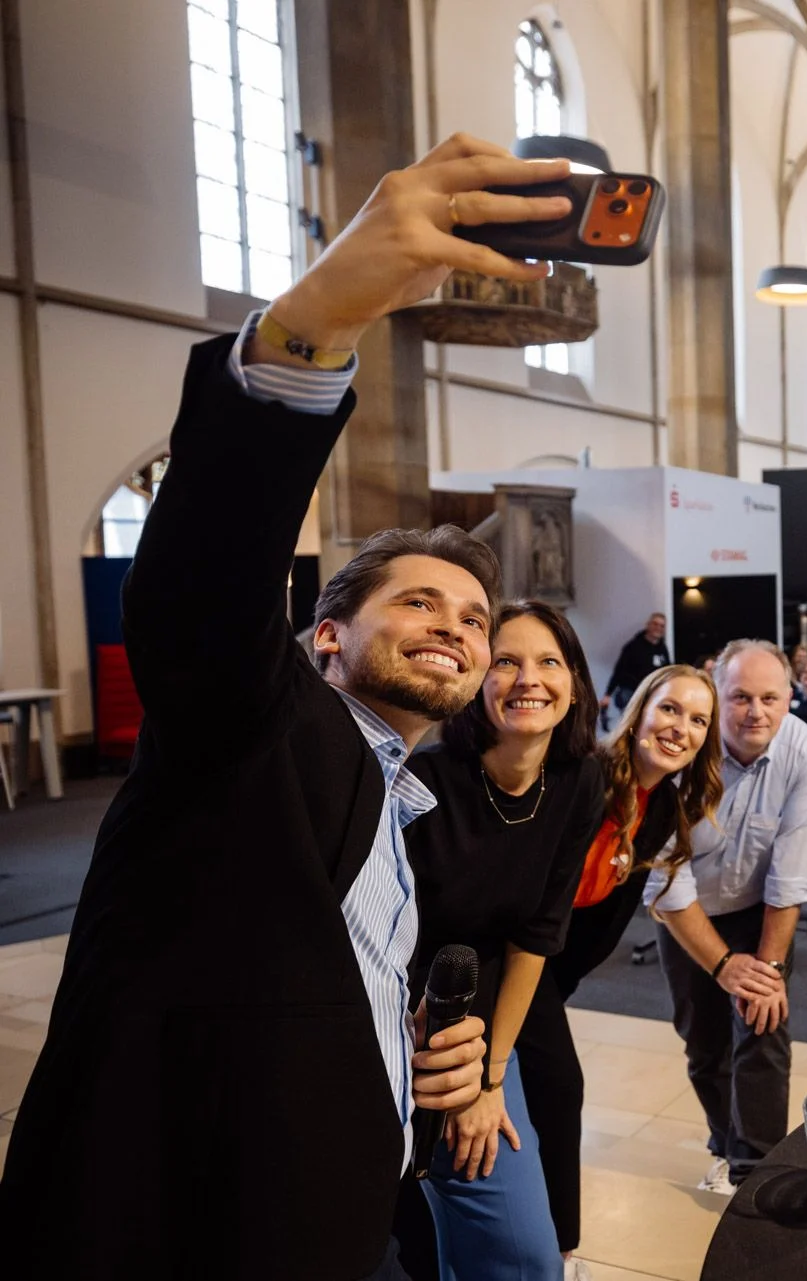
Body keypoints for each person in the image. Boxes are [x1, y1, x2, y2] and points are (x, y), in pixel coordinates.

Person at [0, 134, 551, 1280]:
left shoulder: (396, 798)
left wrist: (397, 1053)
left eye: (475, 615)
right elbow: (200, 589)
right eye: (420, 601)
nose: (459, 624)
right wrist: (315, 326)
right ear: (327, 636)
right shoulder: (259, 728)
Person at [402, 601, 607, 1278]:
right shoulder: (425, 781)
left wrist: (489, 1079)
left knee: (525, 1249)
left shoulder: (581, 780)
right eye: (507, 660)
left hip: (488, 1014)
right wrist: (448, 1074)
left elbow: (537, 935)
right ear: (477, 679)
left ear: (574, 681)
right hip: (401, 1013)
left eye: (549, 661)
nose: (529, 678)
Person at [516, 663, 725, 1273]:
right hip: (508, 956)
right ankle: (562, 1249)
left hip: (553, 973)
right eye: (669, 709)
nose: (679, 727)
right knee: (562, 1088)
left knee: (535, 1093)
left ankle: (536, 1230)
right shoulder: (585, 778)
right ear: (639, 712)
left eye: (697, 719)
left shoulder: (662, 806)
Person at [643, 640, 807, 1196]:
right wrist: (722, 965)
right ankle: (725, 1144)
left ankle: (758, 1173)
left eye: (770, 698)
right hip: (686, 915)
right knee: (703, 1042)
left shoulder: (805, 751)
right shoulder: (679, 747)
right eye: (740, 697)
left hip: (760, 911)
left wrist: (765, 973)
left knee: (763, 1029)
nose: (756, 712)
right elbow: (666, 879)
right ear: (716, 693)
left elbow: (791, 876)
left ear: (789, 698)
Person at [602, 612, 671, 717]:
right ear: (648, 625)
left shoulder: (663, 649)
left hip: (653, 694)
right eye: (655, 624)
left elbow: (667, 671)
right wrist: (608, 695)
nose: (658, 628)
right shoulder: (633, 647)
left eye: (662, 626)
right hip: (631, 693)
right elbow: (619, 671)